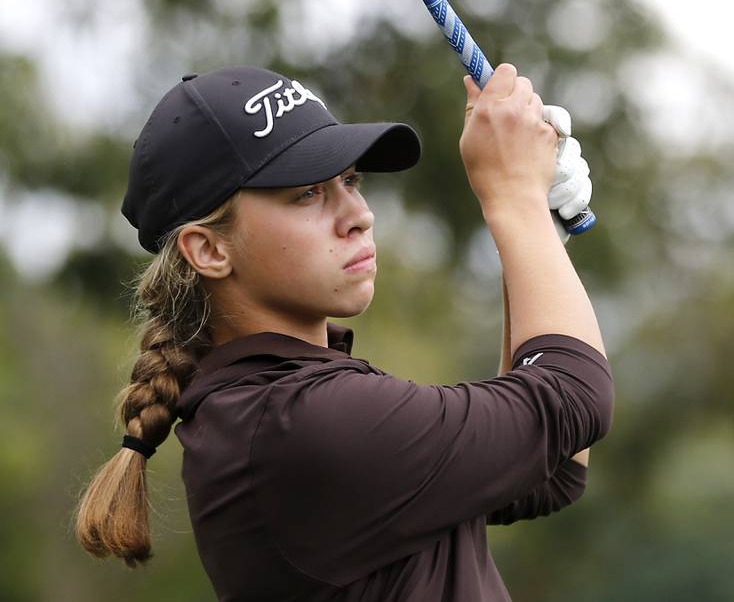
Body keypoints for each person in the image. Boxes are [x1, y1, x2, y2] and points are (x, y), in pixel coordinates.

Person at [74, 63, 613, 601]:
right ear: (210, 250)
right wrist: (515, 195)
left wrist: (540, 231)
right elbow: (576, 396)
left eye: (350, 180)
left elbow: (552, 470)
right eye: (307, 193)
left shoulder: (284, 401)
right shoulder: (295, 423)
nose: (358, 213)